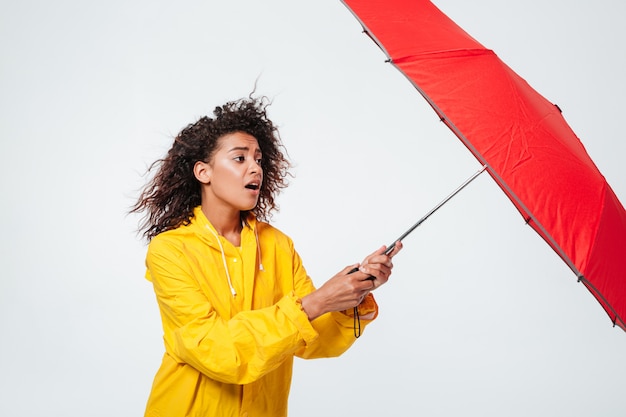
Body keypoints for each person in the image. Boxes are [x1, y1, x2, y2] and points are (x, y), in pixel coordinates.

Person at [131, 96, 401, 417]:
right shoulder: (171, 250)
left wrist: (354, 291)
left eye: (258, 158)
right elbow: (217, 350)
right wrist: (316, 302)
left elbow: (313, 341)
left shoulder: (277, 245)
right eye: (240, 158)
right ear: (204, 172)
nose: (255, 167)